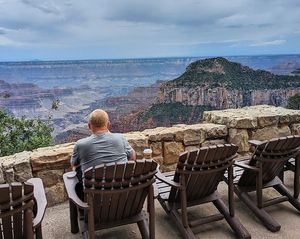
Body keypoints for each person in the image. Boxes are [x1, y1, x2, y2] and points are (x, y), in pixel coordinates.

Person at [70, 109, 136, 198]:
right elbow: (132, 157)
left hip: (95, 200)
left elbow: (74, 164)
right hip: (121, 196)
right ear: (108, 124)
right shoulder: (120, 138)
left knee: (78, 172)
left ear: (89, 126)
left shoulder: (80, 145)